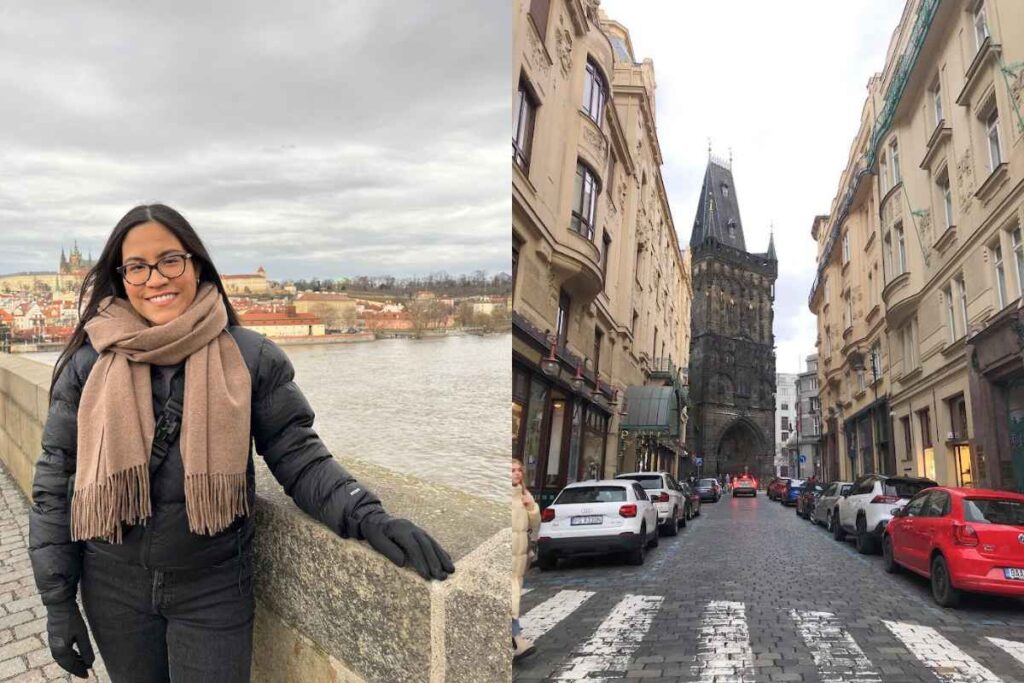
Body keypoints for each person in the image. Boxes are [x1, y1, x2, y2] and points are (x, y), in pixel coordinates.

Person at [28, 205, 455, 682]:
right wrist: (57, 601)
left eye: (170, 260)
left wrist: (367, 514)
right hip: (111, 586)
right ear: (121, 277)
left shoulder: (251, 356)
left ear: (196, 265)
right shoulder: (89, 363)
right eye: (137, 267)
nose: (155, 278)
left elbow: (298, 455)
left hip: (213, 587)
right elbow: (54, 483)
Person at [511, 458, 539, 661]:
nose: (517, 473)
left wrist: (531, 507)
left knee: (512, 600)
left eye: (519, 470)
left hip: (518, 560)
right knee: (509, 601)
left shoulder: (523, 494)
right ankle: (517, 640)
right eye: (512, 470)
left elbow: (535, 523)